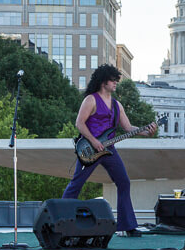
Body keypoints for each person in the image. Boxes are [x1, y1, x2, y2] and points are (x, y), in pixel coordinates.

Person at [63, 64, 157, 237]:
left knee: (124, 182)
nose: (115, 83)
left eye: (116, 80)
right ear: (103, 81)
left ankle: (128, 226)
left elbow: (128, 128)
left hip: (109, 150)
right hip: (89, 150)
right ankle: (60, 220)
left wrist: (147, 131)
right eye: (112, 80)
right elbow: (79, 123)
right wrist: (94, 141)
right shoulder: (90, 100)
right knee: (76, 184)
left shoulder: (116, 105)